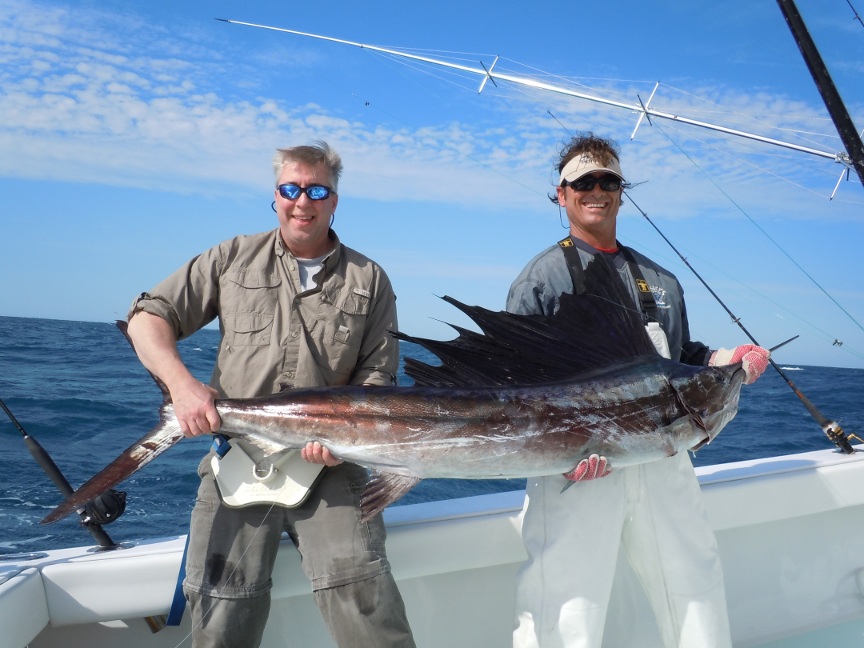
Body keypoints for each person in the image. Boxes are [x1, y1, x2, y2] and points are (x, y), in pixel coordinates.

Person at [125, 141, 415, 648]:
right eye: (291, 189)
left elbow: (378, 378)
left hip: (332, 467)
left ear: (334, 200)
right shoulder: (231, 258)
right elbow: (147, 318)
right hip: (238, 458)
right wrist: (183, 387)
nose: (303, 201)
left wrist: (346, 441)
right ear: (275, 196)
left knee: (368, 610)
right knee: (220, 621)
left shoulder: (369, 279)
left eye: (317, 191)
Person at [508, 133, 770, 648]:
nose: (596, 190)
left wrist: (728, 359)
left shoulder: (661, 279)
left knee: (694, 587)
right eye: (583, 182)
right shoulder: (541, 279)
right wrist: (555, 456)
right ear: (561, 194)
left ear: (621, 193)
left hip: (664, 458)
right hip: (580, 467)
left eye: (608, 181)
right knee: (567, 607)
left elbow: (682, 357)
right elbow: (514, 388)